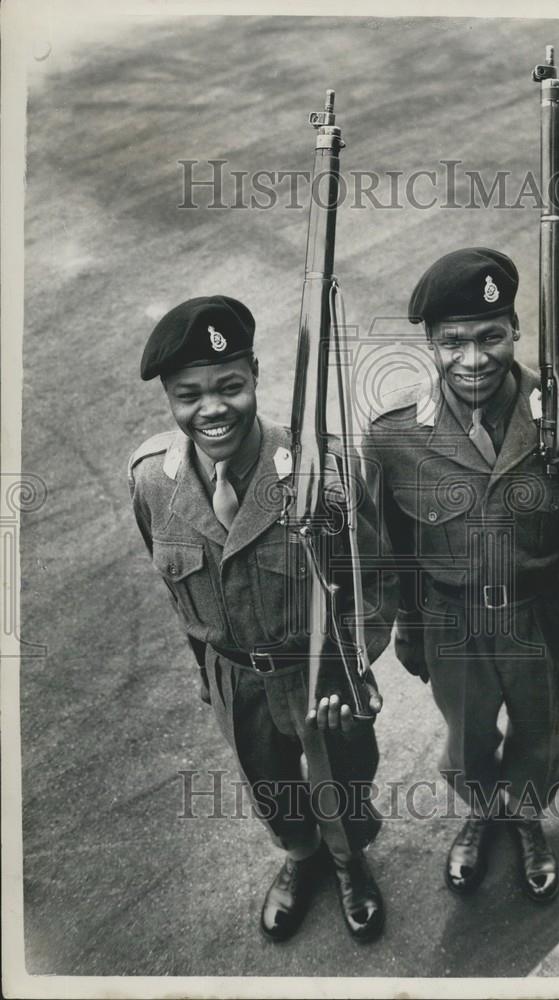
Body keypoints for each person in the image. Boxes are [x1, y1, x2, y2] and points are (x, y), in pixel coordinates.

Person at [362, 248, 559, 902]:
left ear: (515, 331)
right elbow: (394, 550)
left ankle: (524, 816)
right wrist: (407, 631)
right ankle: (481, 811)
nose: (473, 359)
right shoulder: (394, 436)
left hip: (540, 613)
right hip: (450, 617)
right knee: (467, 731)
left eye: (490, 336)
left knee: (540, 728)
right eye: (452, 342)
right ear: (429, 344)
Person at [128, 295, 394, 942]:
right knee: (266, 779)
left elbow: (377, 581)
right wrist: (209, 678)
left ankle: (348, 857)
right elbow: (179, 594)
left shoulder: (316, 473)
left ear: (254, 375)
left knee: (343, 773)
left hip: (316, 672)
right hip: (235, 677)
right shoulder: (152, 482)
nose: (212, 408)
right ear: (169, 397)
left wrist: (353, 671)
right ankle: (302, 857)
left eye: (230, 386)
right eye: (189, 395)